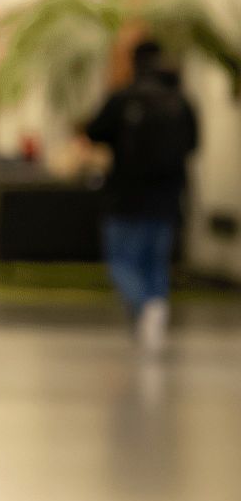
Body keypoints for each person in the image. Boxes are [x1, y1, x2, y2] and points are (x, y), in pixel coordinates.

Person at [85, 39, 200, 353]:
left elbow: (94, 132)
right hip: (166, 198)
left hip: (125, 197)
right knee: (155, 263)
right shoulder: (180, 102)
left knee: (122, 262)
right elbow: (193, 145)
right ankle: (156, 308)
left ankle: (144, 307)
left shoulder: (123, 99)